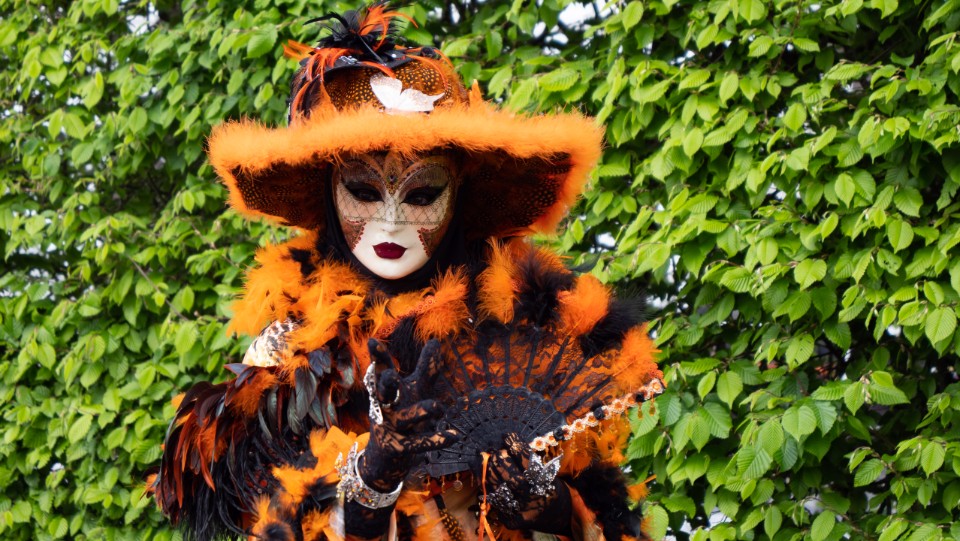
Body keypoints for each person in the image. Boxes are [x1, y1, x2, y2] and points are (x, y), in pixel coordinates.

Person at [149, 3, 664, 540]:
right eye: (363, 191)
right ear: (329, 192)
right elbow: (275, 520)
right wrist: (375, 475)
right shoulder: (292, 350)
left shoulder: (523, 329)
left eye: (421, 194)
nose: (391, 222)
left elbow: (607, 516)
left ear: (458, 197)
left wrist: (544, 503)